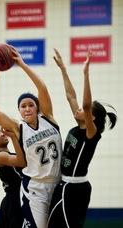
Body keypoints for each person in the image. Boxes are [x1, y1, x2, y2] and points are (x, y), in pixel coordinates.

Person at [0, 47, 62, 228]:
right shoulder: (18, 128)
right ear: (19, 111)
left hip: (58, 184)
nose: (27, 108)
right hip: (35, 189)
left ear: (37, 108)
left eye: (31, 105)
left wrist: (22, 64)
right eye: (23, 106)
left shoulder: (48, 118)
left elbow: (42, 87)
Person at [47, 49, 117, 228]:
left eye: (84, 111)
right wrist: (63, 69)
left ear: (91, 117)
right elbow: (71, 96)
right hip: (64, 184)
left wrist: (86, 73)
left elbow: (86, 105)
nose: (77, 109)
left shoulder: (91, 134)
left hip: (74, 188)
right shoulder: (79, 126)